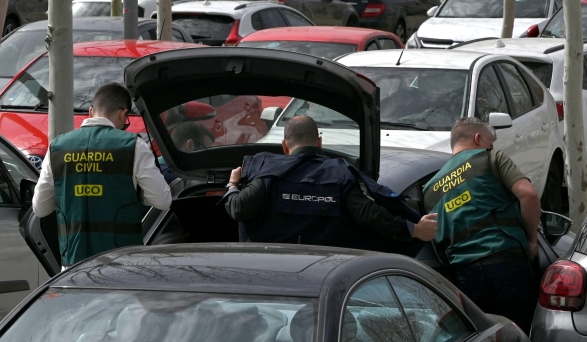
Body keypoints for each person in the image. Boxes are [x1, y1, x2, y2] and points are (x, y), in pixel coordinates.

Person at [223, 115, 438, 255]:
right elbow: (369, 214)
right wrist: (413, 229)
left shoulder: (268, 171)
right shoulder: (340, 174)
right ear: (319, 143)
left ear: (284, 147)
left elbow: (239, 208)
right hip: (326, 270)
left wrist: (233, 184)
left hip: (270, 268)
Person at [32, 83, 171, 270]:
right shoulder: (133, 146)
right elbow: (162, 200)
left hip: (73, 264)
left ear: (91, 111)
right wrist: (136, 194)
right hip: (123, 263)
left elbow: (40, 208)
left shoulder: (57, 147)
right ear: (123, 114)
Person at [422, 117, 540, 333]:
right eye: (490, 142)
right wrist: (532, 240)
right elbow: (528, 195)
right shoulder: (490, 158)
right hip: (506, 265)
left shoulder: (429, 189)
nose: (491, 147)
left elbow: (435, 238)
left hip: (465, 278)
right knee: (518, 334)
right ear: (478, 138)